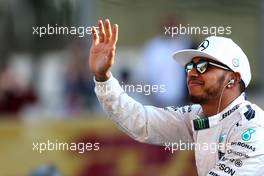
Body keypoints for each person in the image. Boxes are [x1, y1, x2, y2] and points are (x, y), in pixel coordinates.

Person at [89, 19, 264, 176]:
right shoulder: (198, 115)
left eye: (204, 66)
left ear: (233, 79)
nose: (192, 73)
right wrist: (103, 77)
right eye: (190, 67)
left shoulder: (253, 128)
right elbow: (141, 121)